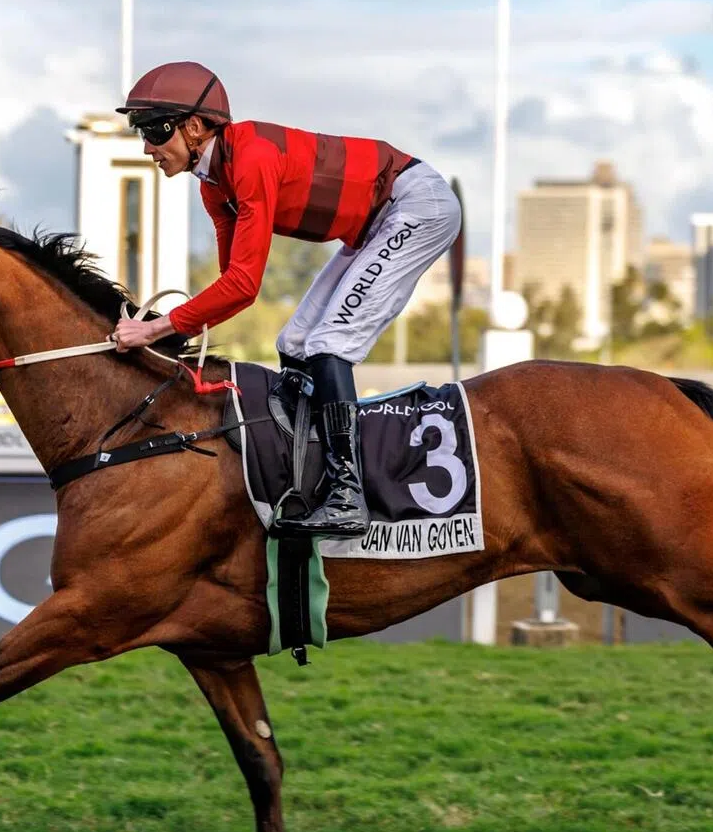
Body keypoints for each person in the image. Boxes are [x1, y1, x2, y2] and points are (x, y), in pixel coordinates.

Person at [110, 61, 462, 539]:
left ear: (194, 128)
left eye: (155, 130)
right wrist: (171, 328)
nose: (148, 147)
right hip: (370, 227)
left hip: (415, 206)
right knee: (295, 341)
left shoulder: (251, 158)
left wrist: (155, 328)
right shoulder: (214, 187)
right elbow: (231, 285)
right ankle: (307, 476)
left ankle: (347, 494)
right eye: (141, 133)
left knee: (330, 344)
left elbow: (243, 286)